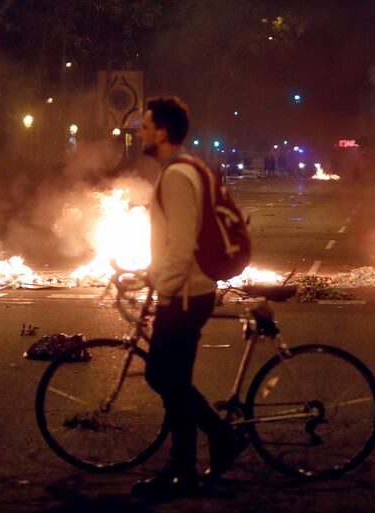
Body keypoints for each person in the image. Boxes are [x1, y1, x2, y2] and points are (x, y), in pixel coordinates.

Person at [133, 97, 247, 498]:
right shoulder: (185, 168)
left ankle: (188, 465)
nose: (140, 133)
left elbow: (182, 245)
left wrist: (163, 284)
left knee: (170, 380)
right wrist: (152, 273)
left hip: (185, 294)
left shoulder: (178, 176)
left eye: (145, 126)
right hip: (186, 289)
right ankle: (208, 448)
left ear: (162, 132)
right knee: (166, 378)